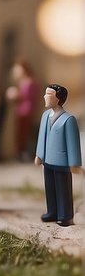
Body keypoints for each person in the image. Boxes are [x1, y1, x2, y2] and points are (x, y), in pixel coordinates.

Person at [35, 84, 81, 227]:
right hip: (47, 160)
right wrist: (39, 154)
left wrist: (74, 163)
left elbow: (73, 144)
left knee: (63, 189)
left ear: (58, 98)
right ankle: (52, 212)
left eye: (48, 94)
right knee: (50, 187)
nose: (44, 96)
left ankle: (65, 215)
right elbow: (41, 137)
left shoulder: (68, 119)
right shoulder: (44, 116)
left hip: (62, 162)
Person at [6, 59, 40, 161]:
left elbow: (28, 98)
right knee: (21, 134)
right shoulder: (22, 82)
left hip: (25, 112)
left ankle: (25, 154)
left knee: (25, 134)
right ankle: (21, 153)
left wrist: (16, 95)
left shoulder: (29, 82)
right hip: (21, 111)